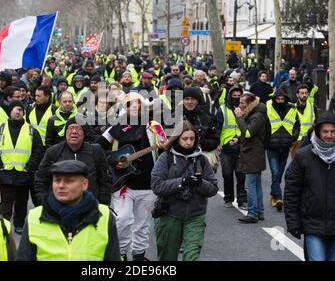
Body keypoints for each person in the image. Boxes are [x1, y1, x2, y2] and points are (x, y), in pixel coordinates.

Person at [94, 92, 168, 261]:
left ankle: (139, 256)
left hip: (148, 183)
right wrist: (113, 161)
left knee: (142, 225)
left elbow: (166, 150)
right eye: (129, 104)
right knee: (122, 220)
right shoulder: (115, 127)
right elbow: (96, 147)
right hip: (122, 184)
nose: (133, 107)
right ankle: (120, 254)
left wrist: (166, 146)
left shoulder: (153, 126)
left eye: (137, 103)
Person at [16, 160, 120, 261]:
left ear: (84, 184)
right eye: (57, 180)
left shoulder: (104, 216)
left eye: (68, 181)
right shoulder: (35, 217)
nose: (61, 186)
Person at [285, 111, 335, 261]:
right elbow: (292, 191)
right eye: (325, 131)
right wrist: (292, 222)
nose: (329, 135)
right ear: (317, 132)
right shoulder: (303, 156)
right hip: (312, 222)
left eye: (332, 131)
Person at [151, 121, 218, 261]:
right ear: (177, 139)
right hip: (170, 215)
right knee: (167, 257)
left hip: (195, 215)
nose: (188, 142)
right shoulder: (166, 158)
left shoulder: (202, 160)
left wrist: (200, 183)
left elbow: (213, 188)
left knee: (192, 255)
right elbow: (157, 186)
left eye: (192, 139)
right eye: (185, 139)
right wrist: (182, 182)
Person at [0, 101, 45, 234]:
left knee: (21, 201)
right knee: (6, 202)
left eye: (20, 110)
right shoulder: (0, 129)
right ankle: (4, 225)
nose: (18, 112)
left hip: (24, 173)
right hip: (5, 173)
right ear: (10, 112)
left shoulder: (31, 130)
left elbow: (38, 151)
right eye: (15, 109)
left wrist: (30, 167)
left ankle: (19, 223)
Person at [34, 116, 111, 205]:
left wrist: (102, 203)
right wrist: (45, 203)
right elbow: (40, 179)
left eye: (78, 128)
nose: (74, 132)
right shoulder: (53, 152)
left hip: (90, 208)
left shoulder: (95, 151)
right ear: (65, 132)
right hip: (60, 209)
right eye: (71, 128)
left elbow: (105, 180)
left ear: (84, 133)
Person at [265, 89, 300, 211]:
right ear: (274, 99)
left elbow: (297, 125)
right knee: (275, 172)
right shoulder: (268, 108)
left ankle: (273, 195)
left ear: (285, 99)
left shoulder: (292, 109)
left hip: (285, 147)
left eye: (282, 99)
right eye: (278, 99)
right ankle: (279, 198)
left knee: (279, 174)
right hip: (272, 147)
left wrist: (293, 138)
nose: (280, 101)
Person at [235, 92, 267, 223]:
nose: (240, 105)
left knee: (250, 185)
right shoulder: (255, 114)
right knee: (256, 184)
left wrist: (239, 118)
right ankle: (259, 211)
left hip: (253, 154)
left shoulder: (257, 116)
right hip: (253, 153)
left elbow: (248, 133)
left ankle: (253, 213)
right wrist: (237, 139)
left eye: (242, 103)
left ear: (249, 104)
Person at [215, 86, 247, 209]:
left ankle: (242, 200)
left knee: (241, 175)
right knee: (227, 174)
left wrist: (239, 139)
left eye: (239, 96)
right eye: (234, 96)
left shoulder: (245, 109)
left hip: (241, 146)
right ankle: (228, 198)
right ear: (230, 96)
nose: (236, 98)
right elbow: (217, 127)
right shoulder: (222, 109)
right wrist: (217, 142)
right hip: (226, 148)